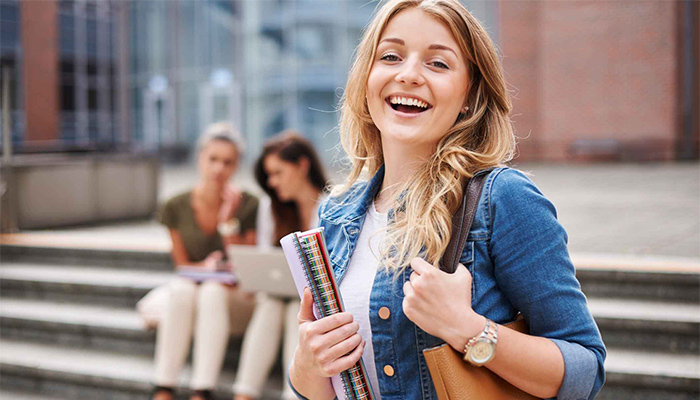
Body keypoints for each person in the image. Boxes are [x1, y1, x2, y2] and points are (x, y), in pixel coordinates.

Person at [288, 1, 606, 400]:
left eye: (438, 64)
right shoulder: (335, 213)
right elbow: (319, 387)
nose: (408, 75)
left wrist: (466, 328)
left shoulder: (501, 199)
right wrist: (307, 362)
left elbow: (584, 371)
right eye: (391, 56)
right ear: (366, 77)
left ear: (469, 94)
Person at [152, 122, 259, 400]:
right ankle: (164, 387)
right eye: (213, 159)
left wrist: (227, 222)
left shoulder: (248, 204)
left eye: (228, 162)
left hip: (232, 299)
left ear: (236, 166)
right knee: (181, 287)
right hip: (193, 293)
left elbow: (246, 268)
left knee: (210, 291)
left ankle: (202, 390)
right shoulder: (175, 205)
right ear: (200, 158)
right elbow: (181, 265)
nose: (219, 168)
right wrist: (206, 268)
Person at [232, 131, 329, 400]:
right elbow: (266, 260)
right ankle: (244, 394)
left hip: (317, 302)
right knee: (272, 302)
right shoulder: (270, 207)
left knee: (294, 312)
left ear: (302, 165)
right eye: (269, 176)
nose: (272, 183)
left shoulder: (332, 207)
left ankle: (294, 393)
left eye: (278, 172)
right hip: (277, 296)